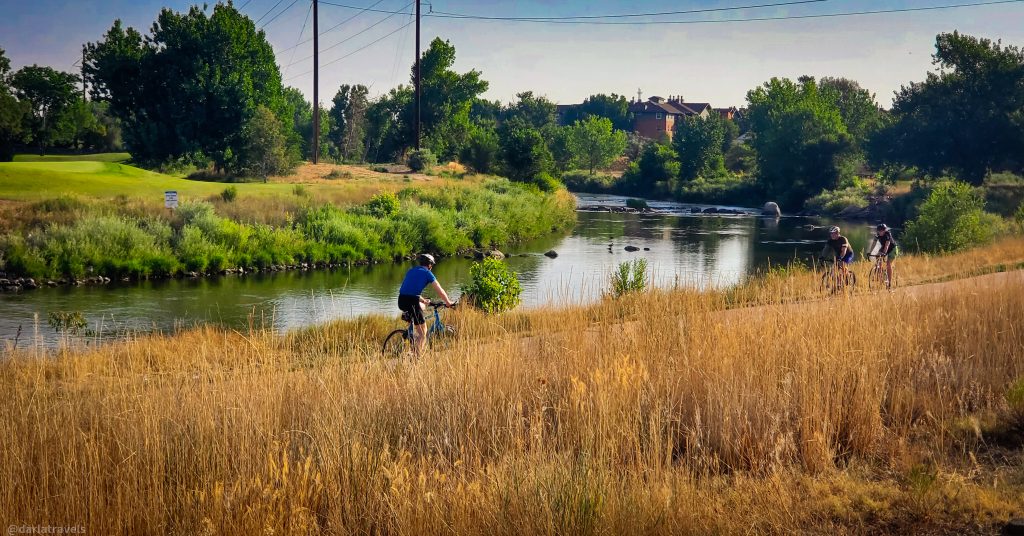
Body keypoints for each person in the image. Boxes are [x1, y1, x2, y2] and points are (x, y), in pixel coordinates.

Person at [397, 253, 454, 357]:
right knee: (423, 333)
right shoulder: (428, 273)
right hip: (412, 302)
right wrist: (448, 302)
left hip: (401, 300)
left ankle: (411, 332)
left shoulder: (411, 270)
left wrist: (423, 300)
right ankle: (417, 359)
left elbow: (410, 290)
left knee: (421, 307)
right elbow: (440, 291)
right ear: (430, 265)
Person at [869, 223, 899, 288]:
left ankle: (890, 283)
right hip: (884, 247)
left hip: (892, 249)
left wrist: (884, 253)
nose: (880, 232)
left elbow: (887, 245)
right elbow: (874, 243)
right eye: (879, 231)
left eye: (882, 230)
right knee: (877, 258)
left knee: (888, 264)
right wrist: (870, 252)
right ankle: (880, 272)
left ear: (884, 230)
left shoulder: (888, 234)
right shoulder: (877, 235)